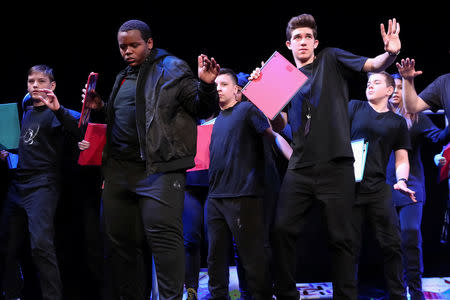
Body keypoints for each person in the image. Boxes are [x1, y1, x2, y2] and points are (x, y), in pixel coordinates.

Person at [249, 14, 402, 300]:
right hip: (300, 167)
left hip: (336, 165)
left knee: (342, 239)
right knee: (282, 231)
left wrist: (390, 54)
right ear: (288, 44)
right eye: (297, 38)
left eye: (308, 37)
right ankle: (285, 294)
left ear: (316, 42)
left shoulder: (330, 59)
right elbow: (281, 124)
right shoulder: (283, 78)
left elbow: (371, 64)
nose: (303, 41)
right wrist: (264, 96)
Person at [84, 19, 220, 300]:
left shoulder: (172, 68)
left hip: (158, 170)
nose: (127, 51)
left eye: (134, 45)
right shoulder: (123, 76)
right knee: (122, 245)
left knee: (164, 241)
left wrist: (207, 86)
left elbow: (200, 107)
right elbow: (135, 116)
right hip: (120, 171)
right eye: (123, 47)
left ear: (149, 43)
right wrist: (102, 107)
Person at [207, 68, 291, 300]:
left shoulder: (246, 110)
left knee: (252, 256)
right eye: (216, 86)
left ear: (237, 90)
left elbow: (273, 134)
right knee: (215, 257)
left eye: (223, 85)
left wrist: (294, 162)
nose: (218, 89)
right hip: (215, 197)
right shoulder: (216, 120)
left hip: (243, 195)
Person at [0, 65, 82, 300]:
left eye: (41, 81)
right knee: (7, 244)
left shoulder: (57, 113)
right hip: (19, 184)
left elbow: (79, 128)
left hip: (43, 184)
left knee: (40, 245)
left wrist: (58, 109)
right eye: (30, 81)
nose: (35, 85)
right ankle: (13, 293)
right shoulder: (26, 108)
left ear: (52, 86)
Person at [349, 72, 415, 300]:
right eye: (368, 82)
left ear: (389, 91)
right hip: (350, 188)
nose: (370, 86)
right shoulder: (354, 108)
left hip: (379, 187)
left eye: (376, 82)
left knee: (392, 245)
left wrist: (402, 181)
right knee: (349, 247)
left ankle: (397, 294)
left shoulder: (397, 122)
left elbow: (401, 158)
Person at [385, 73, 449, 300]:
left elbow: (439, 138)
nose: (396, 92)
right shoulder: (376, 117)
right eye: (393, 87)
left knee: (410, 236)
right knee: (390, 243)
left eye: (401, 87)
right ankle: (396, 291)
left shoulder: (417, 117)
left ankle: (416, 291)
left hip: (411, 186)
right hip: (383, 188)